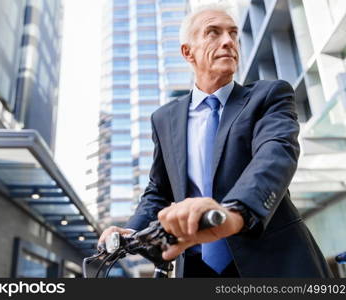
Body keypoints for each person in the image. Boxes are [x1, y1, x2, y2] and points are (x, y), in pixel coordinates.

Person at [99, 3, 332, 278]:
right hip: (196, 267)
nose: (228, 42)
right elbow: (160, 189)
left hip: (273, 261)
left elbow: (276, 154)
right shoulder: (164, 118)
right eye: (213, 33)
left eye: (233, 34)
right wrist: (133, 229)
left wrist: (234, 213)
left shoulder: (270, 95)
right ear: (188, 52)